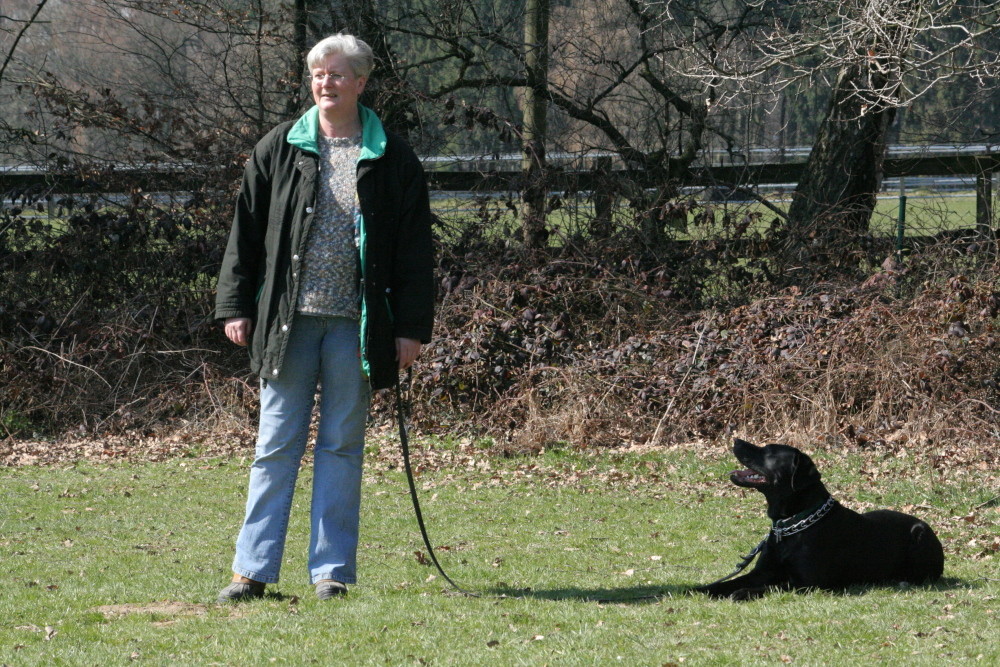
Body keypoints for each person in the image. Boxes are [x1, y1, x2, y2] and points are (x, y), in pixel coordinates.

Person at [213, 33, 435, 602]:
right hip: (288, 323)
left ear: (360, 82)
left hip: (355, 329)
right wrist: (235, 306)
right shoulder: (279, 147)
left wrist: (409, 327)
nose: (324, 83)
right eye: (317, 74)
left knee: (340, 446)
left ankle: (330, 573)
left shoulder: (394, 156)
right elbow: (246, 235)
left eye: (336, 74)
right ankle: (252, 572)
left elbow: (414, 251)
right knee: (275, 445)